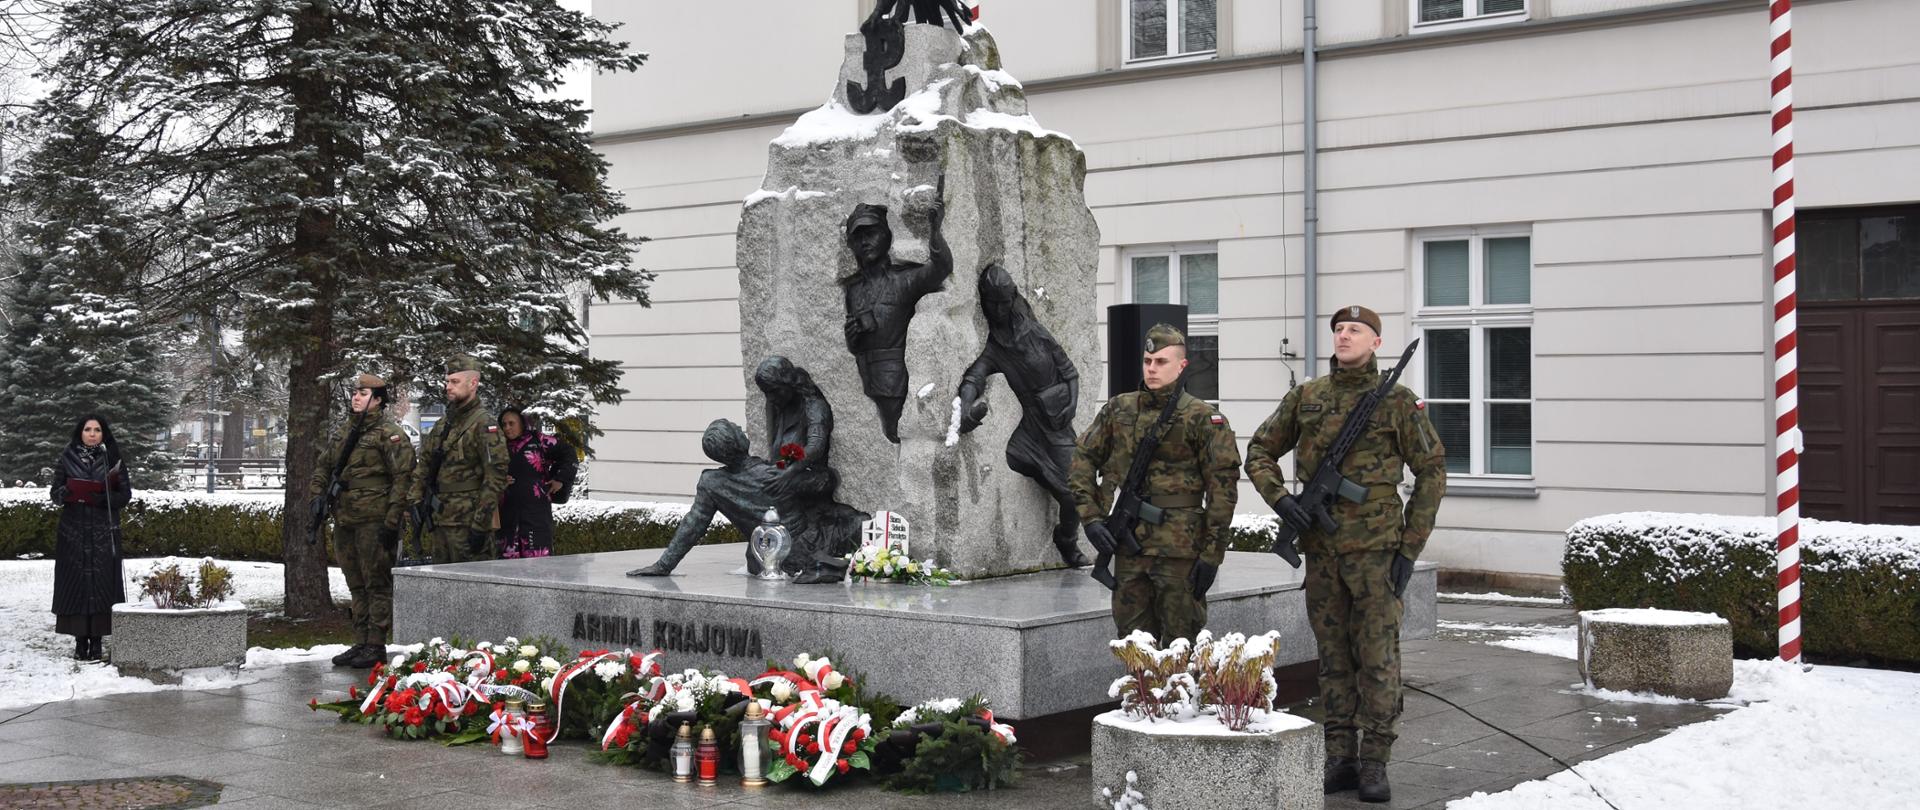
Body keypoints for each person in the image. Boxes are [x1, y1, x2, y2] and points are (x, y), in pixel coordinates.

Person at [1244, 305, 1447, 803]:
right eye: (1338, 329)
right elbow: (1259, 451)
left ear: (1376, 342)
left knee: (1377, 658)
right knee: (1333, 658)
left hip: (1377, 553)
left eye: (1355, 330)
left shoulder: (1399, 402)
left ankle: (1375, 760)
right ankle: (1341, 757)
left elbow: (1433, 472)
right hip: (1322, 551)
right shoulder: (1307, 397)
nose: (1344, 336)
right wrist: (1283, 500)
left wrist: (1409, 548)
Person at [1067, 324, 1241, 641]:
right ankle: (1139, 694)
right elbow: (1082, 459)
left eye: (1161, 361)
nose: (1152, 368)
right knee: (1133, 647)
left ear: (1182, 365)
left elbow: (1223, 491)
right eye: (1148, 361)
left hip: (1179, 552)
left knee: (1179, 648)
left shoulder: (1202, 418)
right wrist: (1091, 518)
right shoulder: (1119, 409)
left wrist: (1212, 555)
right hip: (1128, 549)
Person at [956, 263, 1089, 567]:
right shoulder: (995, 347)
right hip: (1030, 429)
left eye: (1005, 301)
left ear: (1014, 297)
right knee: (1063, 484)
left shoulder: (1036, 332)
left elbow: (1070, 372)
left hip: (1058, 425)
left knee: (1077, 493)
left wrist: (1071, 405)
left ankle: (1066, 538)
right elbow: (974, 377)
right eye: (994, 303)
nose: (1000, 309)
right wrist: (966, 405)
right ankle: (1039, 470)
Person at [310, 374, 415, 669]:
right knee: (355, 582)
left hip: (375, 519)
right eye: (355, 392)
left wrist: (392, 520)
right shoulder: (346, 431)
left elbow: (403, 478)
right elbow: (324, 466)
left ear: (378, 399)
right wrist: (316, 496)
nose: (356, 397)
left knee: (376, 582)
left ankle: (376, 644)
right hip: (345, 517)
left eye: (363, 392)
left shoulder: (389, 434)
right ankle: (360, 641)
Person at [840, 181, 951, 443]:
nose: (865, 242)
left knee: (897, 434)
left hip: (894, 381)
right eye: (858, 237)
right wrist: (853, 337)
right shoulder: (853, 289)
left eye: (871, 233)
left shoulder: (904, 280)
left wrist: (935, 230)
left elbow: (940, 268)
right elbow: (855, 345)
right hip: (867, 378)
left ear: (886, 236)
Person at [406, 354, 509, 564]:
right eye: (447, 382)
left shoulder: (484, 424)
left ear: (473, 384)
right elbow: (424, 464)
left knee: (473, 589)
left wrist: (481, 525)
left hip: (469, 523)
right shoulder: (443, 424)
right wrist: (415, 501)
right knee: (443, 589)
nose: (448, 387)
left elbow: (495, 478)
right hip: (441, 520)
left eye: (455, 382)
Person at [50, 415, 132, 662]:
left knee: (101, 584)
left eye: (97, 429)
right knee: (76, 586)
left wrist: (103, 497)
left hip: (103, 533)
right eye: (88, 429)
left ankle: (96, 642)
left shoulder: (112, 458)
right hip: (73, 532)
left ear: (103, 433)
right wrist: (67, 492)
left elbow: (125, 495)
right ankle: (79, 642)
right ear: (80, 432)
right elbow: (54, 493)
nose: (92, 433)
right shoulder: (67, 457)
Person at [496, 407, 577, 559]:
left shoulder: (540, 441)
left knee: (538, 568)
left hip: (535, 517)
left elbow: (569, 454)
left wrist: (560, 479)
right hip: (507, 519)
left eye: (511, 423)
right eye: (504, 424)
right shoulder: (497, 447)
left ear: (522, 423)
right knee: (506, 571)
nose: (507, 428)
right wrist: (498, 479)